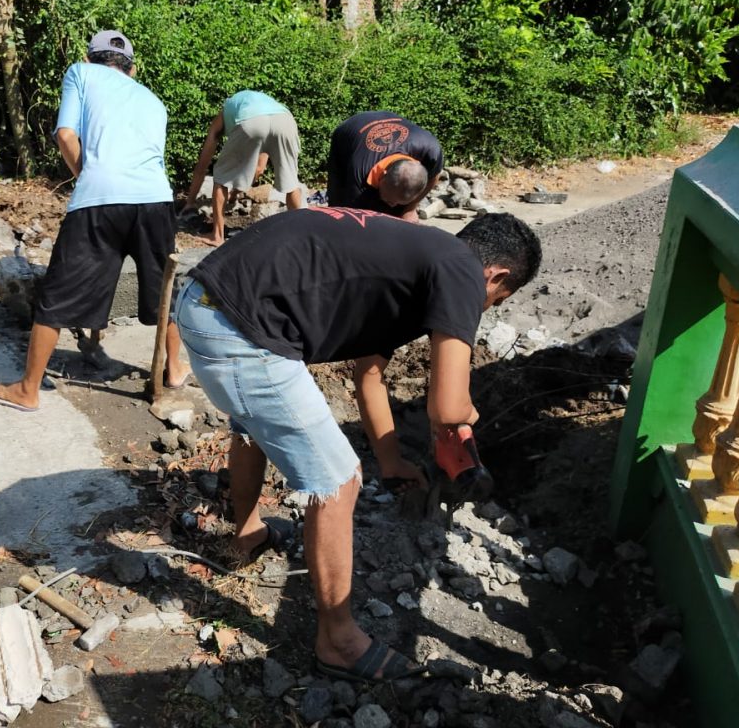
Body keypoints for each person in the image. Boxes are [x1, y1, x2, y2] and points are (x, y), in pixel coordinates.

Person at [174, 207, 541, 681]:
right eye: (498, 300)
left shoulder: (418, 259)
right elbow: (448, 409)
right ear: (497, 275)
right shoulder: (462, 271)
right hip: (239, 326)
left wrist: (390, 458)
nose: (484, 309)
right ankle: (339, 643)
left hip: (208, 300)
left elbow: (368, 373)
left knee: (255, 420)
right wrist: (466, 416)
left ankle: (247, 534)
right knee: (339, 480)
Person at [0, 29, 191, 412]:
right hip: (156, 200)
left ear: (91, 57)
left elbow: (66, 135)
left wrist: (87, 175)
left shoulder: (81, 73)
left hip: (100, 199)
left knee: (57, 295)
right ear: (131, 68)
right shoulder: (153, 100)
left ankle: (28, 390)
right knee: (162, 288)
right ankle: (175, 369)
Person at [185, 90, 302, 246]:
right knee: (291, 182)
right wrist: (233, 196)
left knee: (220, 177)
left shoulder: (225, 112)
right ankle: (300, 233)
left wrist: (190, 201)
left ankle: (217, 236)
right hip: (285, 121)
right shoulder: (264, 104)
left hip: (251, 121)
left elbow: (202, 165)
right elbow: (259, 169)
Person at [326, 110, 444, 220]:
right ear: (383, 175)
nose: (393, 205)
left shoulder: (431, 150)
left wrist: (410, 208)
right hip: (348, 131)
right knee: (340, 207)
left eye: (398, 202)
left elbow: (434, 176)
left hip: (390, 121)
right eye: (389, 200)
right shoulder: (359, 172)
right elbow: (356, 216)